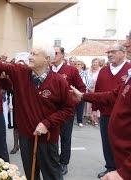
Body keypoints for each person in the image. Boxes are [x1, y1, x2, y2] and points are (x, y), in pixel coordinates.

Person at [0, 40, 75, 180]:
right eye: (30, 53)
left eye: (34, 54)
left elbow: (68, 109)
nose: (30, 57)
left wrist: (47, 123)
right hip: (26, 138)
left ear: (47, 59)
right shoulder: (20, 72)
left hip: (47, 140)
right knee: (31, 175)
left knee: (52, 175)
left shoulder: (59, 81)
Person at [70, 66, 131, 180]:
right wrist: (83, 96)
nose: (126, 47)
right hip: (122, 158)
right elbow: (112, 95)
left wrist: (126, 171)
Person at [91, 44, 131, 178]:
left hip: (124, 117)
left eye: (113, 51)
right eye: (108, 52)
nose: (109, 54)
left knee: (122, 145)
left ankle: (122, 171)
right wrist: (94, 109)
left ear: (123, 53)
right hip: (106, 114)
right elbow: (98, 91)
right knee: (107, 142)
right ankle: (110, 168)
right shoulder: (103, 71)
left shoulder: (128, 69)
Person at [51, 46, 86, 175]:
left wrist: (72, 102)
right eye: (52, 53)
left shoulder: (71, 70)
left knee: (65, 138)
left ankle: (64, 162)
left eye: (56, 53)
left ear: (62, 55)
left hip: (66, 112)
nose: (53, 55)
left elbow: (82, 88)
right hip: (49, 112)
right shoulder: (47, 69)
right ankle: (53, 160)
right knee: (51, 138)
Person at [86, 58, 101, 125]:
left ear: (99, 63)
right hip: (88, 89)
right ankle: (89, 117)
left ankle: (95, 118)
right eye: (93, 62)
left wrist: (94, 88)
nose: (94, 63)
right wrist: (88, 87)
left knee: (95, 103)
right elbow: (85, 79)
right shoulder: (88, 71)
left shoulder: (101, 71)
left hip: (97, 89)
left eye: (96, 62)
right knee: (89, 104)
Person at [74, 60, 89, 127]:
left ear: (82, 65)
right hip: (73, 92)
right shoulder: (73, 72)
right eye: (76, 64)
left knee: (80, 107)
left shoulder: (85, 73)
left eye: (79, 64)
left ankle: (79, 121)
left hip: (81, 92)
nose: (77, 66)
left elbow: (87, 83)